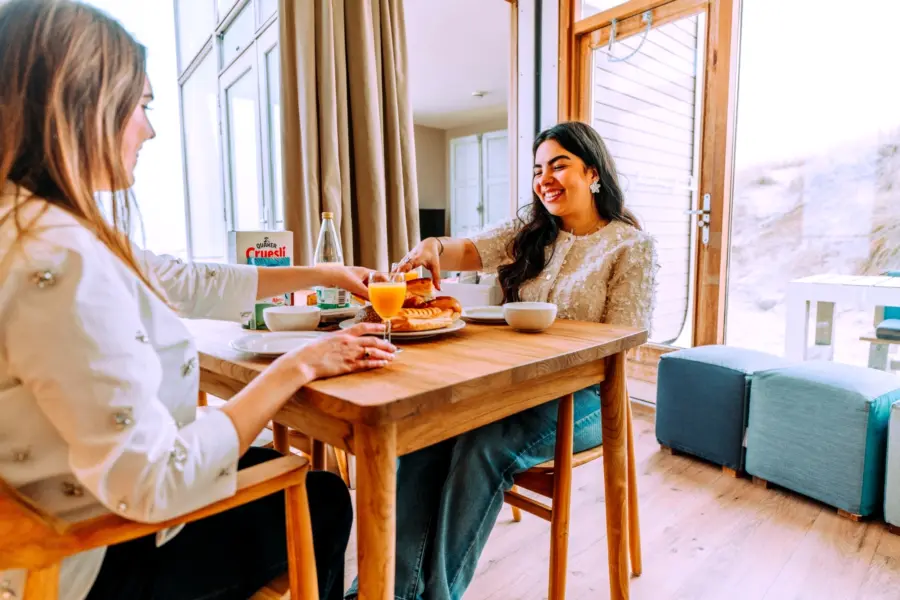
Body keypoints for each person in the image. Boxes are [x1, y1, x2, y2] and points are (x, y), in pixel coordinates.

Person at [0, 1, 396, 599]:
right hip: (92, 553)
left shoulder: (32, 226)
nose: (149, 130)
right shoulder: (60, 257)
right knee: (323, 497)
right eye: (143, 106)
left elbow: (190, 280)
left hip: (58, 506)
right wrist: (301, 365)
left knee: (268, 465)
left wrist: (326, 273)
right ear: (84, 102)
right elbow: (161, 481)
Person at [345, 121, 659, 600]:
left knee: (482, 446)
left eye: (559, 165)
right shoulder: (531, 233)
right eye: (538, 170)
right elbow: (467, 250)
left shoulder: (629, 246)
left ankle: (433, 595)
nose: (545, 178)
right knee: (424, 435)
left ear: (593, 173)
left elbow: (625, 339)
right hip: (513, 387)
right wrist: (432, 246)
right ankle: (378, 591)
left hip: (588, 398)